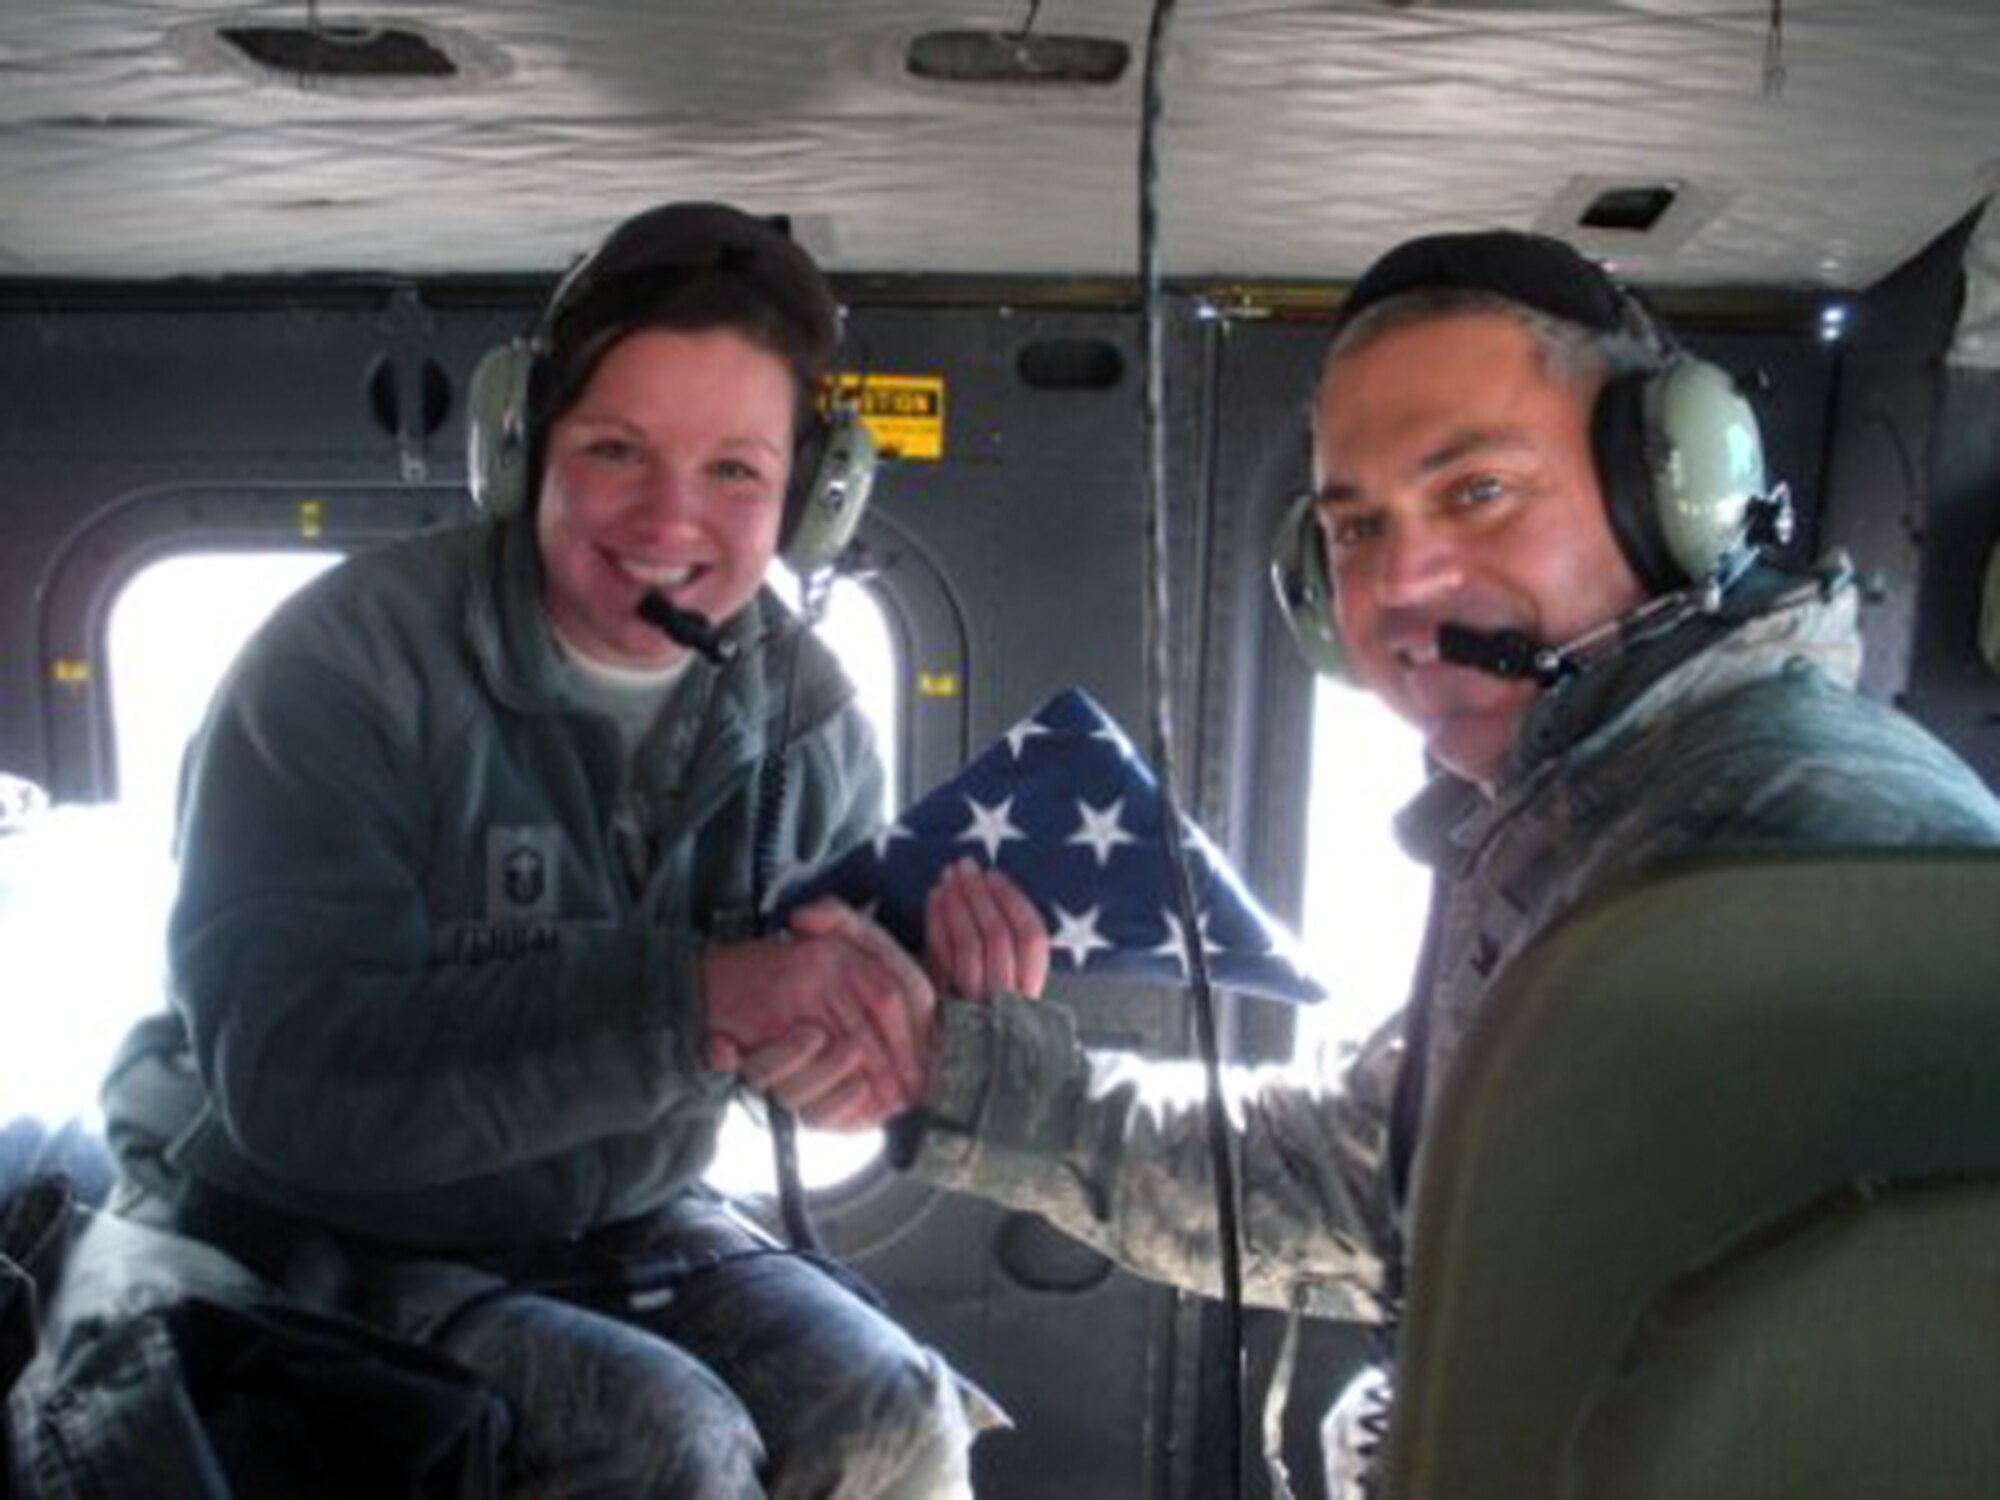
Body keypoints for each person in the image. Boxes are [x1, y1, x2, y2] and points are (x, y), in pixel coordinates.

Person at [753, 230, 2000, 1486]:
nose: (1402, 582)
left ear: (1673, 497)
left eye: (1477, 491)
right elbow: (1377, 1186)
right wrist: (967, 1075)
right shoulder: (1600, 821)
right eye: (1353, 529)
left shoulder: (1798, 845)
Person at [25, 201, 1023, 1499]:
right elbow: (289, 1084)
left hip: (617, 1213)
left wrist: (868, 1051)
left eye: (735, 471)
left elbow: (788, 1072)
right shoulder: (343, 670)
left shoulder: (805, 716)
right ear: (524, 447)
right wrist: (694, 998)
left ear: (810, 498)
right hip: (313, 1223)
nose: (670, 519)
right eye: (616, 450)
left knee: (896, 1413)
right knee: (663, 1442)